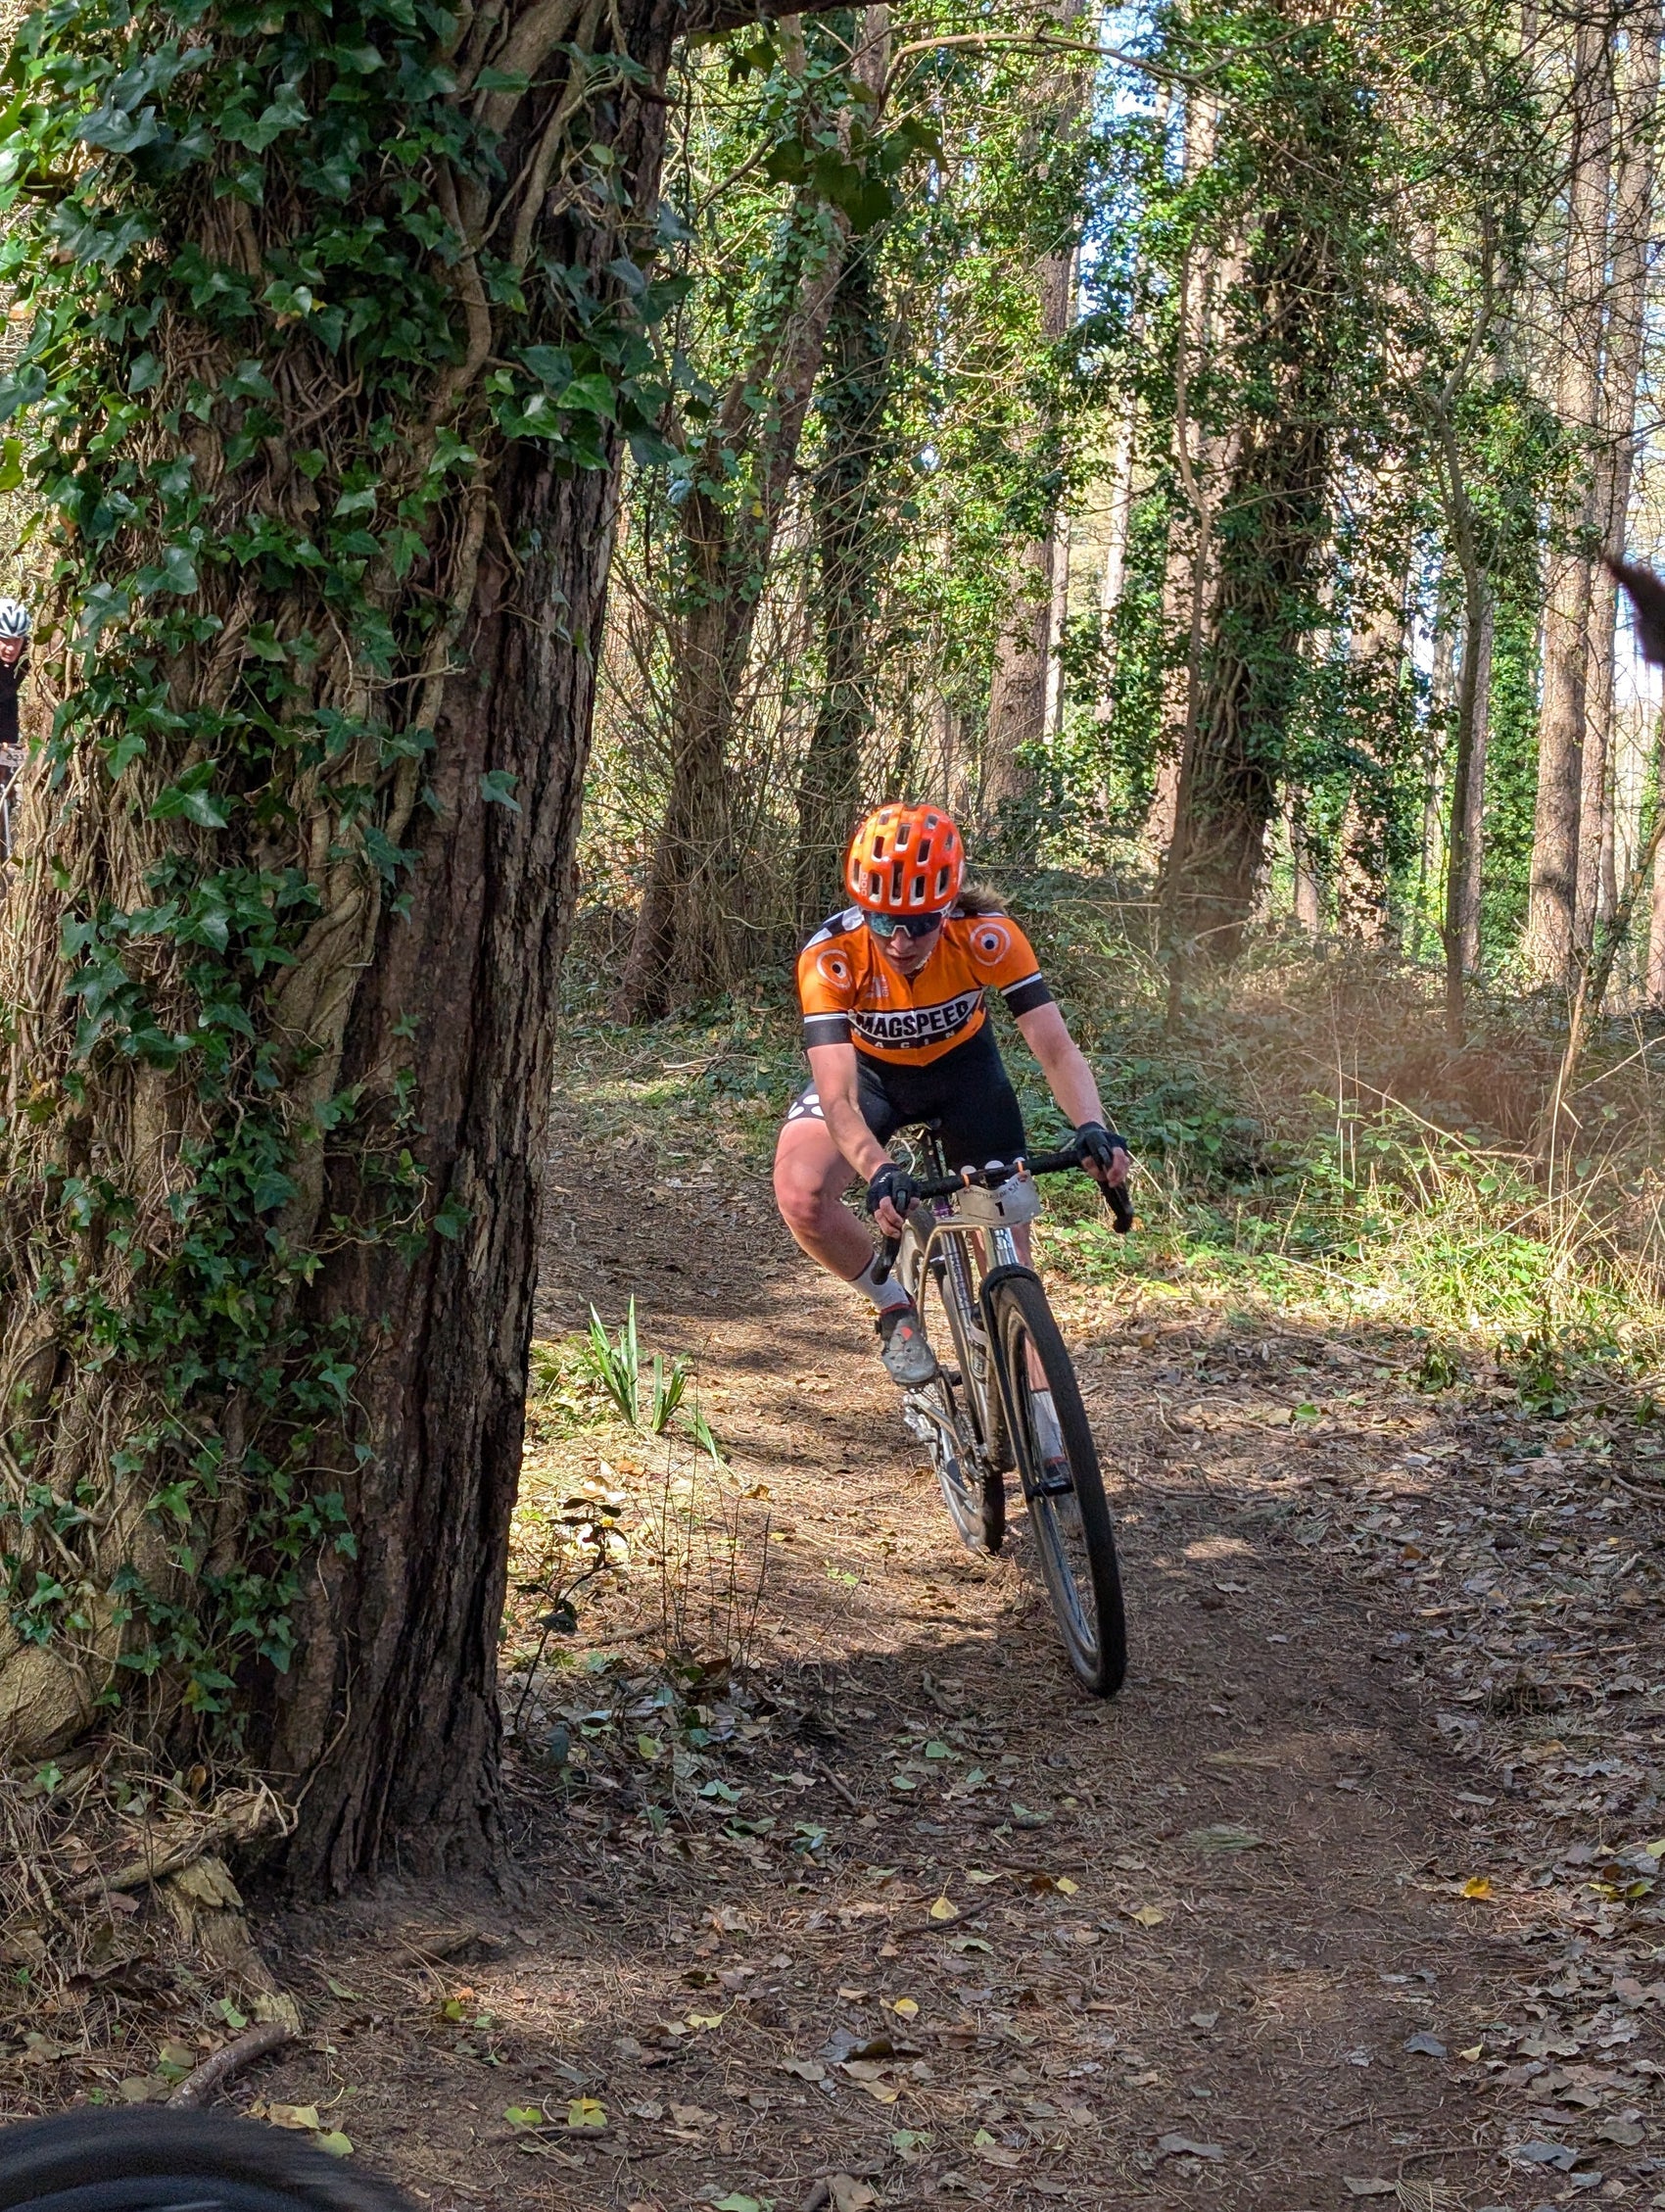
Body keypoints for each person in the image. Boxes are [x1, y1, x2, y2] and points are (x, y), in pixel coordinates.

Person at [773, 801, 1129, 1386]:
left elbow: (1056, 1049)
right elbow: (837, 1099)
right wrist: (880, 1169)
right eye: (883, 921)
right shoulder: (830, 957)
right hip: (870, 1081)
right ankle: (893, 1305)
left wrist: (1091, 1123)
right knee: (801, 1192)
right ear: (863, 909)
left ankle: (1044, 1421)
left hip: (966, 1077)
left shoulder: (987, 937)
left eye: (920, 923)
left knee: (1010, 1255)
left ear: (948, 908)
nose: (900, 940)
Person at [0, 598, 30, 861]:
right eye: (4, 639)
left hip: (7, 713)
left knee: (6, 778)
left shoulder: (27, 656)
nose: (10, 647)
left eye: (16, 641)